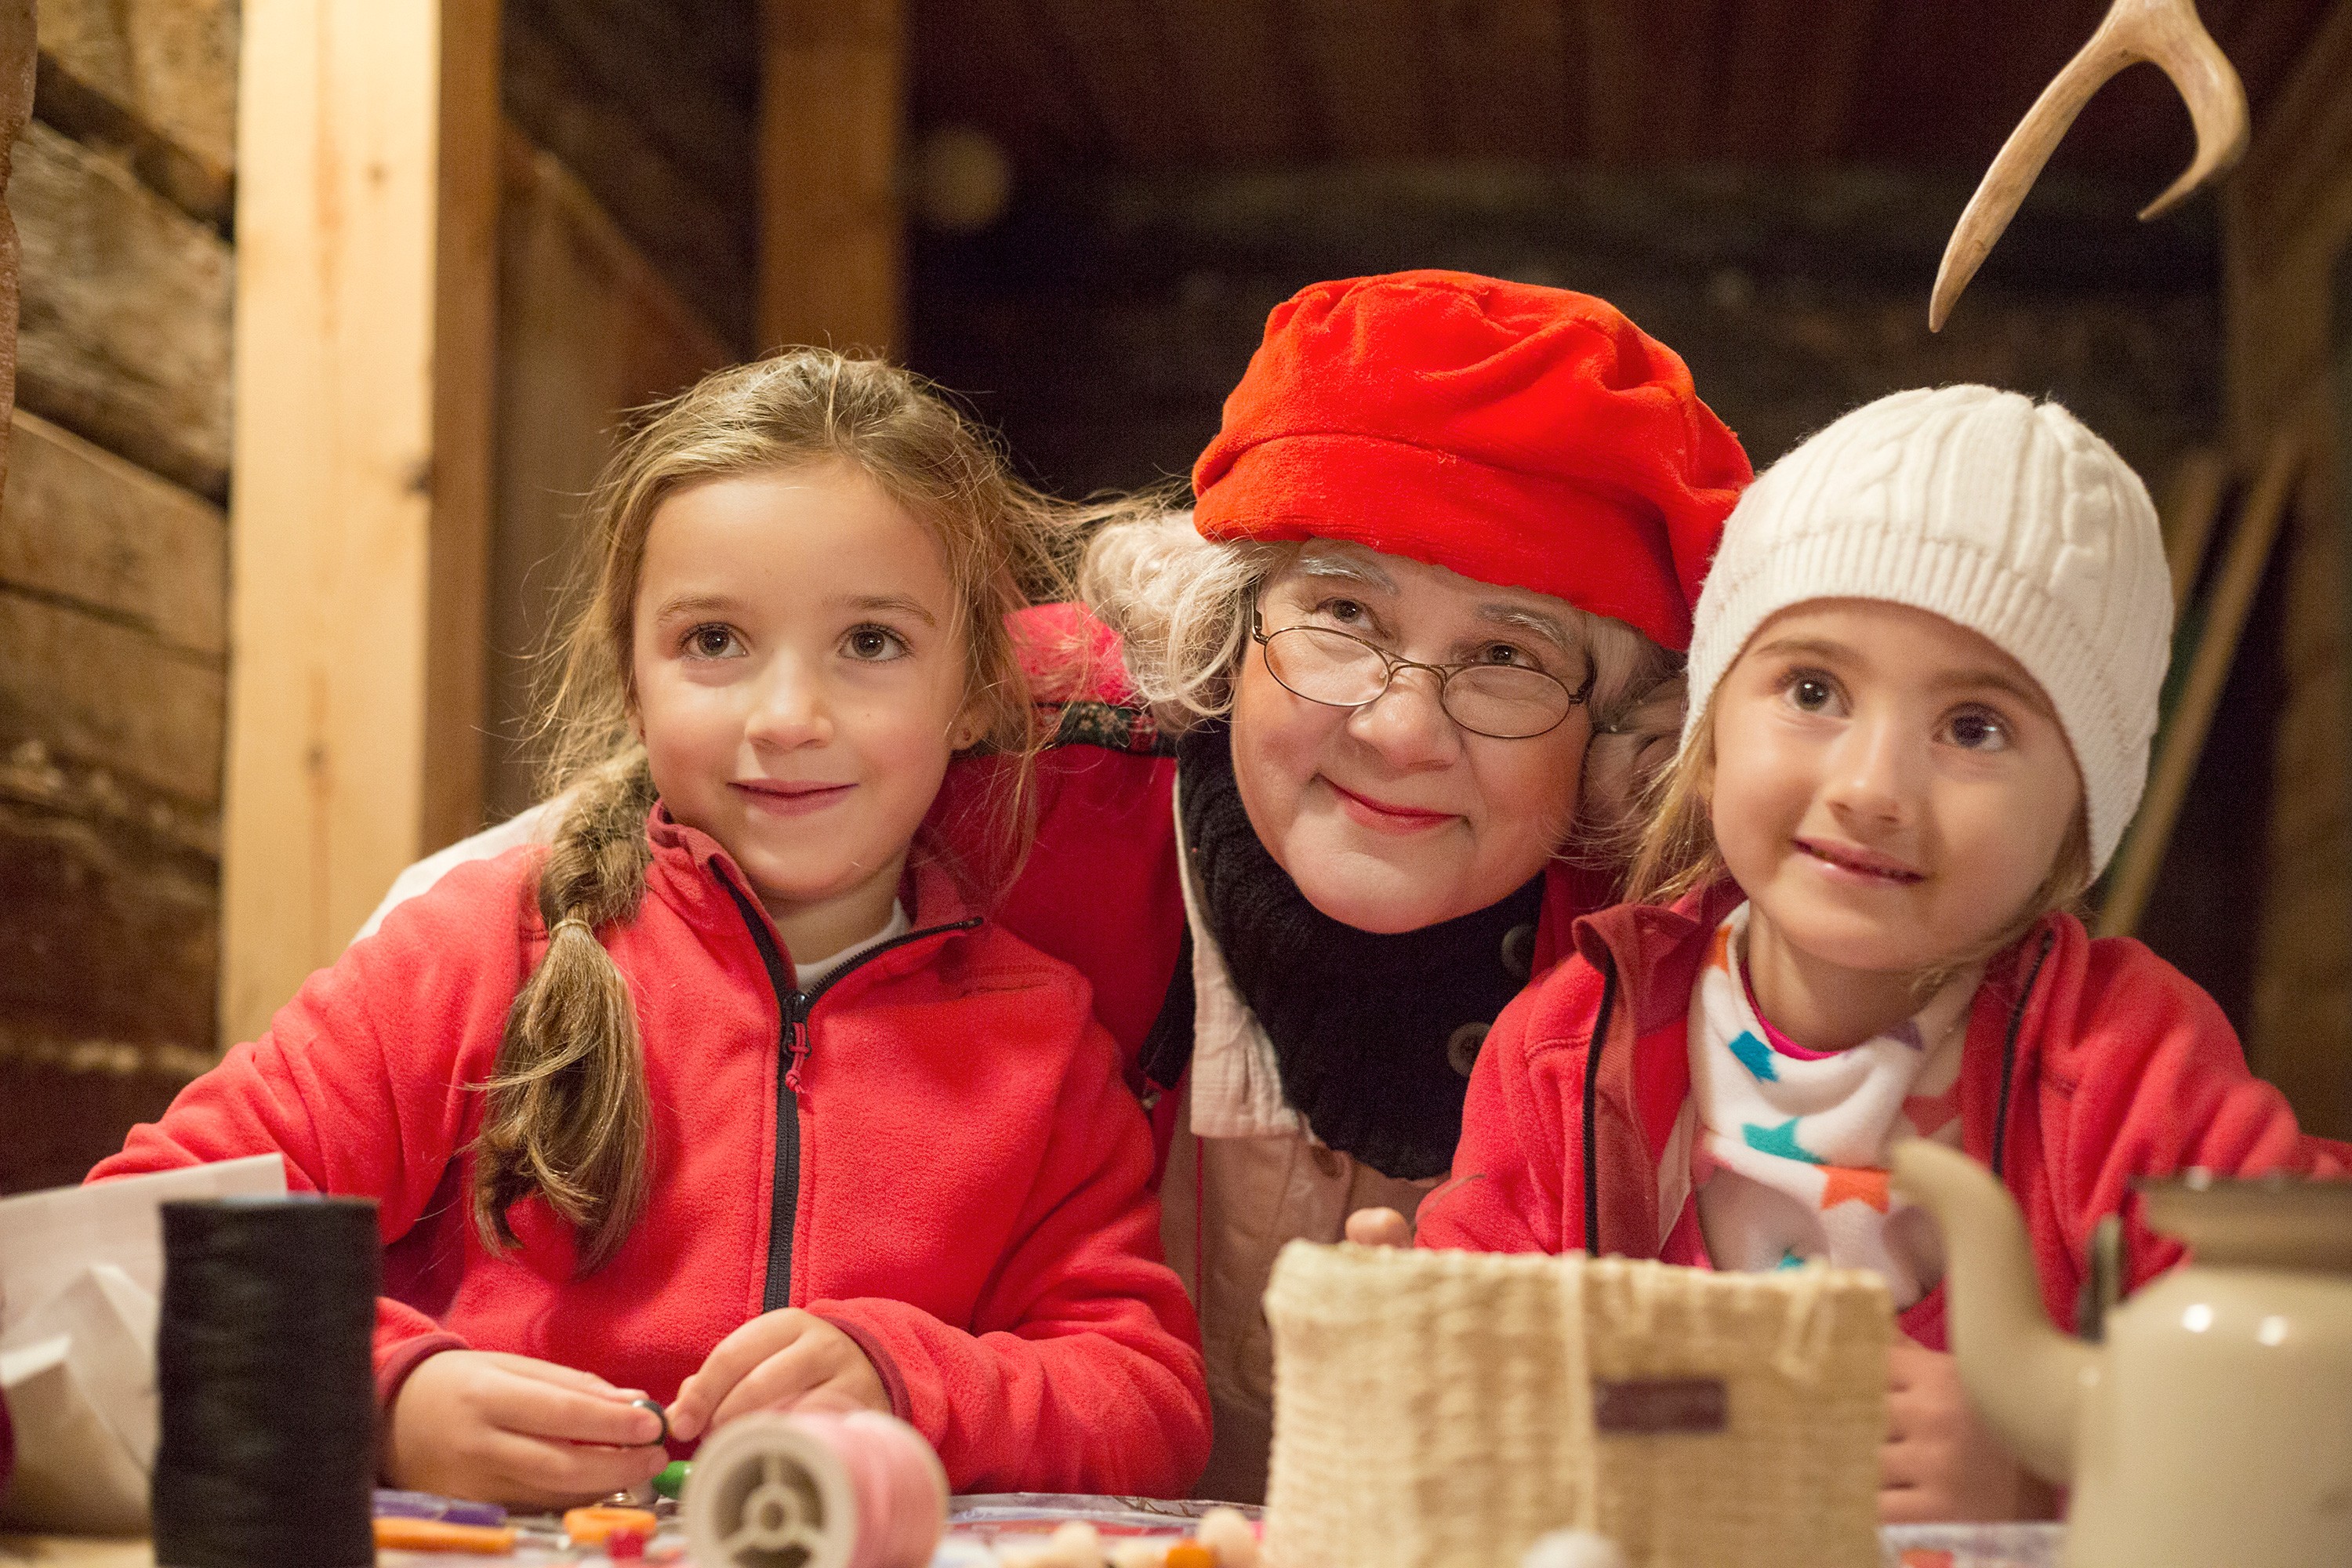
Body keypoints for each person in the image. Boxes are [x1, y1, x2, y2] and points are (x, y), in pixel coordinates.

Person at [359, 271, 1755, 1501]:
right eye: (1338, 613)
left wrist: (1553, 1394)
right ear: (1223, 628)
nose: (1400, 728)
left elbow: (1743, 1415)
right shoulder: (999, 746)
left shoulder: (1673, 972)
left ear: (1620, 741)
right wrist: (382, 1384)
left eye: (1511, 657)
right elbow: (575, 869)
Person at [90, 351, 1210, 1508]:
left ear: (975, 685)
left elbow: (1148, 1403)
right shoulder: (476, 952)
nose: (787, 719)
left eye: (871, 644)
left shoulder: (1044, 1039)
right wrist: (380, 1400)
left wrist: (911, 1385)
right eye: (715, 642)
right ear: (634, 675)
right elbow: (145, 1229)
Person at [1413, 384, 2352, 1521]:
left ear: (2082, 808)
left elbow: (2304, 1396)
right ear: (1709, 742)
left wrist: (2061, 1463)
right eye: (1813, 691)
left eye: (1975, 728)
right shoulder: (1566, 1048)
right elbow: (1466, 1406)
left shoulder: (2129, 1064)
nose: (1872, 792)